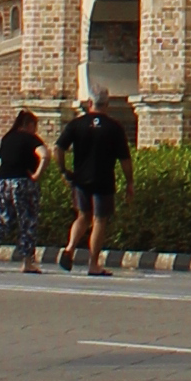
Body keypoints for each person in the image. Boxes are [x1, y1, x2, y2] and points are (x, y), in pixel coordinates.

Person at [53, 93, 125, 273]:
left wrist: (63, 170)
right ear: (107, 104)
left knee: (83, 216)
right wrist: (129, 181)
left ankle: (69, 248)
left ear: (90, 103)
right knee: (99, 220)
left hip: (80, 179)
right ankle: (93, 263)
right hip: (104, 179)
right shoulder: (114, 127)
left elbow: (58, 148)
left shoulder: (77, 124)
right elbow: (125, 158)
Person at [0, 101, 45, 274]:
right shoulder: (30, 138)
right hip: (22, 181)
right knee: (27, 220)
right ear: (29, 125)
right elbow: (45, 155)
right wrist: (37, 174)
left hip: (2, 181)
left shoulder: (7, 138)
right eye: (34, 126)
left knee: (2, 219)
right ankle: (27, 262)